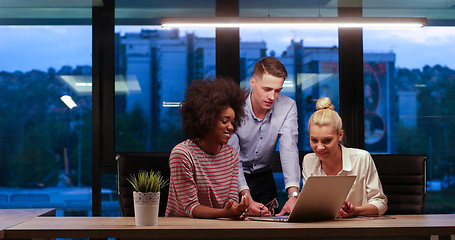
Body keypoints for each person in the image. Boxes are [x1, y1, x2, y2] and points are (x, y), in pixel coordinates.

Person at [165, 77, 249, 219]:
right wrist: (226, 213)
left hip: (217, 228)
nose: (231, 127)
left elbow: (231, 200)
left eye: (233, 122)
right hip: (181, 231)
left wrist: (236, 209)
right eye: (224, 121)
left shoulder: (231, 154)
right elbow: (191, 208)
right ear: (206, 119)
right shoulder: (182, 154)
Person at [228, 56, 300, 217]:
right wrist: (247, 198)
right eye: (267, 89)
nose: (272, 97)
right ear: (253, 82)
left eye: (277, 91)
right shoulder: (235, 107)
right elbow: (233, 157)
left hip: (264, 178)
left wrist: (293, 195)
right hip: (233, 177)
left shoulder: (288, 106)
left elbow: (289, 148)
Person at [301, 97, 388, 218]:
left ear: (340, 135)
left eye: (327, 140)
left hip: (358, 231)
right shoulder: (308, 161)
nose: (319, 147)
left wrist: (355, 211)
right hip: (322, 231)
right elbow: (308, 206)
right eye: (314, 140)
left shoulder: (361, 158)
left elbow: (380, 203)